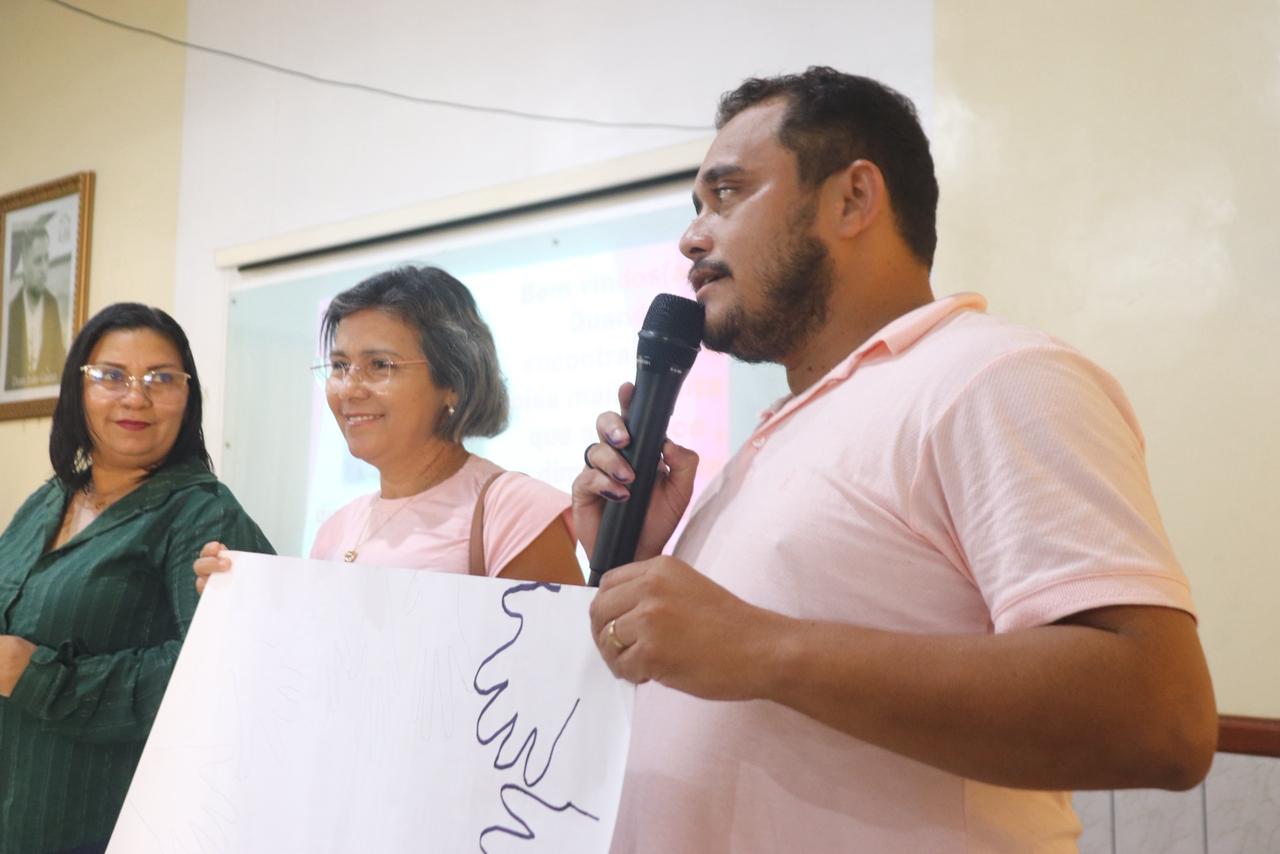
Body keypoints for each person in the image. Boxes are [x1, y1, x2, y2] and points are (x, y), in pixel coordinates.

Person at [576, 67, 1217, 852]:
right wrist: (634, 564)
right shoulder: (790, 425)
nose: (692, 237)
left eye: (728, 194)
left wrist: (761, 648)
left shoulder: (994, 377)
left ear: (853, 198)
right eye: (696, 207)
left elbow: (1163, 718)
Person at [0, 303, 273, 854]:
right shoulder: (51, 497)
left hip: (104, 826)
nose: (135, 397)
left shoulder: (203, 513)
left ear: (188, 397)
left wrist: (42, 678)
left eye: (161, 379)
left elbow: (221, 677)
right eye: (111, 376)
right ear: (78, 390)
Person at [195, 265, 581, 588]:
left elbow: (550, 654)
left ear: (452, 381)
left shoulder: (515, 511)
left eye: (380, 365)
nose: (349, 389)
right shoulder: (336, 529)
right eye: (340, 366)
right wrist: (240, 601)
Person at [5, 224, 67, 390]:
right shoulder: (11, 312)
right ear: (25, 263)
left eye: (47, 259)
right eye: (38, 261)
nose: (44, 269)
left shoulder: (53, 306)